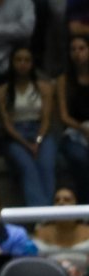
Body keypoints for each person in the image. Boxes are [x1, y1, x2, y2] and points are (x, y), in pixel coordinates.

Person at [0, 45, 57, 207]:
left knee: (47, 166)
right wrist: (27, 145)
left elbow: (46, 119)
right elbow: (6, 124)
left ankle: (49, 213)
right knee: (27, 167)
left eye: (27, 60)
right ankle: (40, 217)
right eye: (18, 60)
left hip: (40, 131)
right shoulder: (2, 91)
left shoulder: (44, 87)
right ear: (12, 63)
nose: (23, 64)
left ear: (32, 63)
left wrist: (37, 141)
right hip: (15, 135)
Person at [57, 35, 89, 201]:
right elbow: (63, 115)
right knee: (80, 158)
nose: (77, 53)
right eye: (73, 49)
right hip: (74, 131)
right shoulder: (64, 80)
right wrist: (82, 129)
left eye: (82, 48)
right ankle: (85, 205)